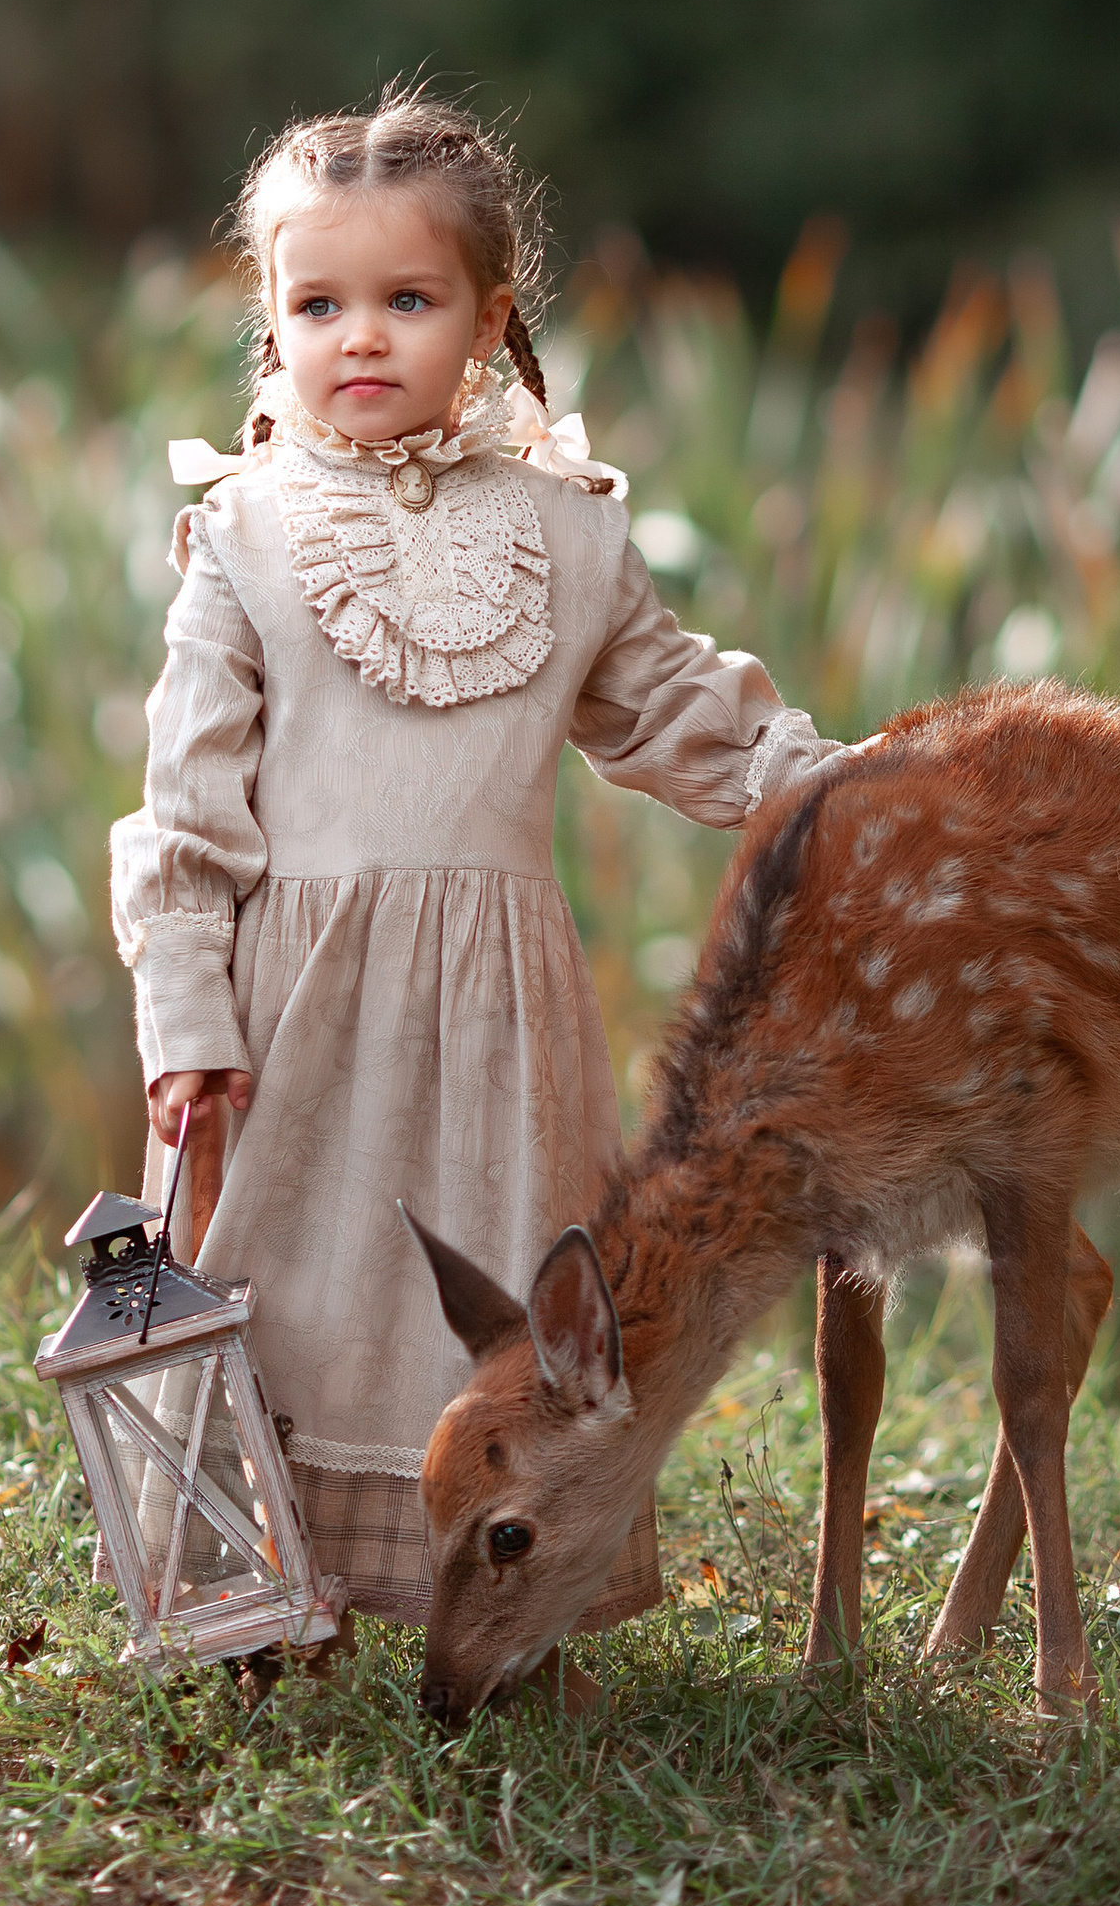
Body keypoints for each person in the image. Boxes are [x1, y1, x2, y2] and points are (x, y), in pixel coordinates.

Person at [108, 93, 845, 1656]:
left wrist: (833, 791)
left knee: (507, 1303)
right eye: (317, 305)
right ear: (268, 326)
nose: (358, 336)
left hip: (503, 1013)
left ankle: (513, 1586)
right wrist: (186, 1015)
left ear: (488, 316)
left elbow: (670, 704)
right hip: (297, 1005)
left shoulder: (565, 537)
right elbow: (186, 804)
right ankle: (268, 1609)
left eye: (406, 300)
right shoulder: (243, 533)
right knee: (294, 1296)